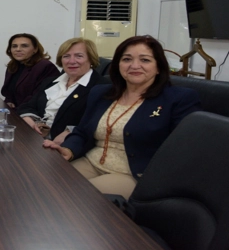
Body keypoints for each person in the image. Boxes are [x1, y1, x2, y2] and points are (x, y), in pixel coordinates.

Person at [43, 35, 201, 199]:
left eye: (145, 60)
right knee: (45, 185)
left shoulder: (179, 98)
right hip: (91, 162)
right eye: (127, 59)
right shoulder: (101, 93)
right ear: (118, 64)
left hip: (132, 173)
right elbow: (82, 132)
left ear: (159, 67)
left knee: (78, 198)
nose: (134, 65)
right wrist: (68, 150)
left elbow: (183, 150)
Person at [17, 38, 108, 143]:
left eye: (79, 56)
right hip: (35, 137)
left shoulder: (102, 86)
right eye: (66, 56)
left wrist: (71, 132)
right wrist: (30, 121)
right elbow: (28, 106)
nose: (71, 61)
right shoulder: (50, 82)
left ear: (91, 59)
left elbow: (97, 122)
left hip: (68, 143)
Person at [1, 33, 59, 108]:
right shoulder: (12, 66)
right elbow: (8, 92)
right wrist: (9, 101)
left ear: (35, 49)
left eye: (24, 46)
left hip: (32, 111)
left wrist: (18, 110)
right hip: (14, 110)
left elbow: (39, 97)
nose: (18, 49)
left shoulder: (45, 66)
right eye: (14, 46)